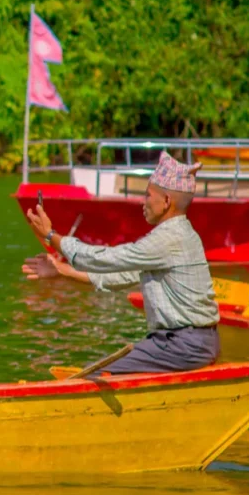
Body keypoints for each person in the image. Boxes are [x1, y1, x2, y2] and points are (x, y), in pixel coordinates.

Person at [22, 152, 220, 374]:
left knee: (98, 377)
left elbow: (106, 259)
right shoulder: (178, 235)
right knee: (100, 373)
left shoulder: (169, 238)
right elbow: (120, 276)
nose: (142, 202)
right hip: (191, 343)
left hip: (182, 345)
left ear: (166, 201)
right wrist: (63, 270)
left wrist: (51, 236)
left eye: (147, 195)